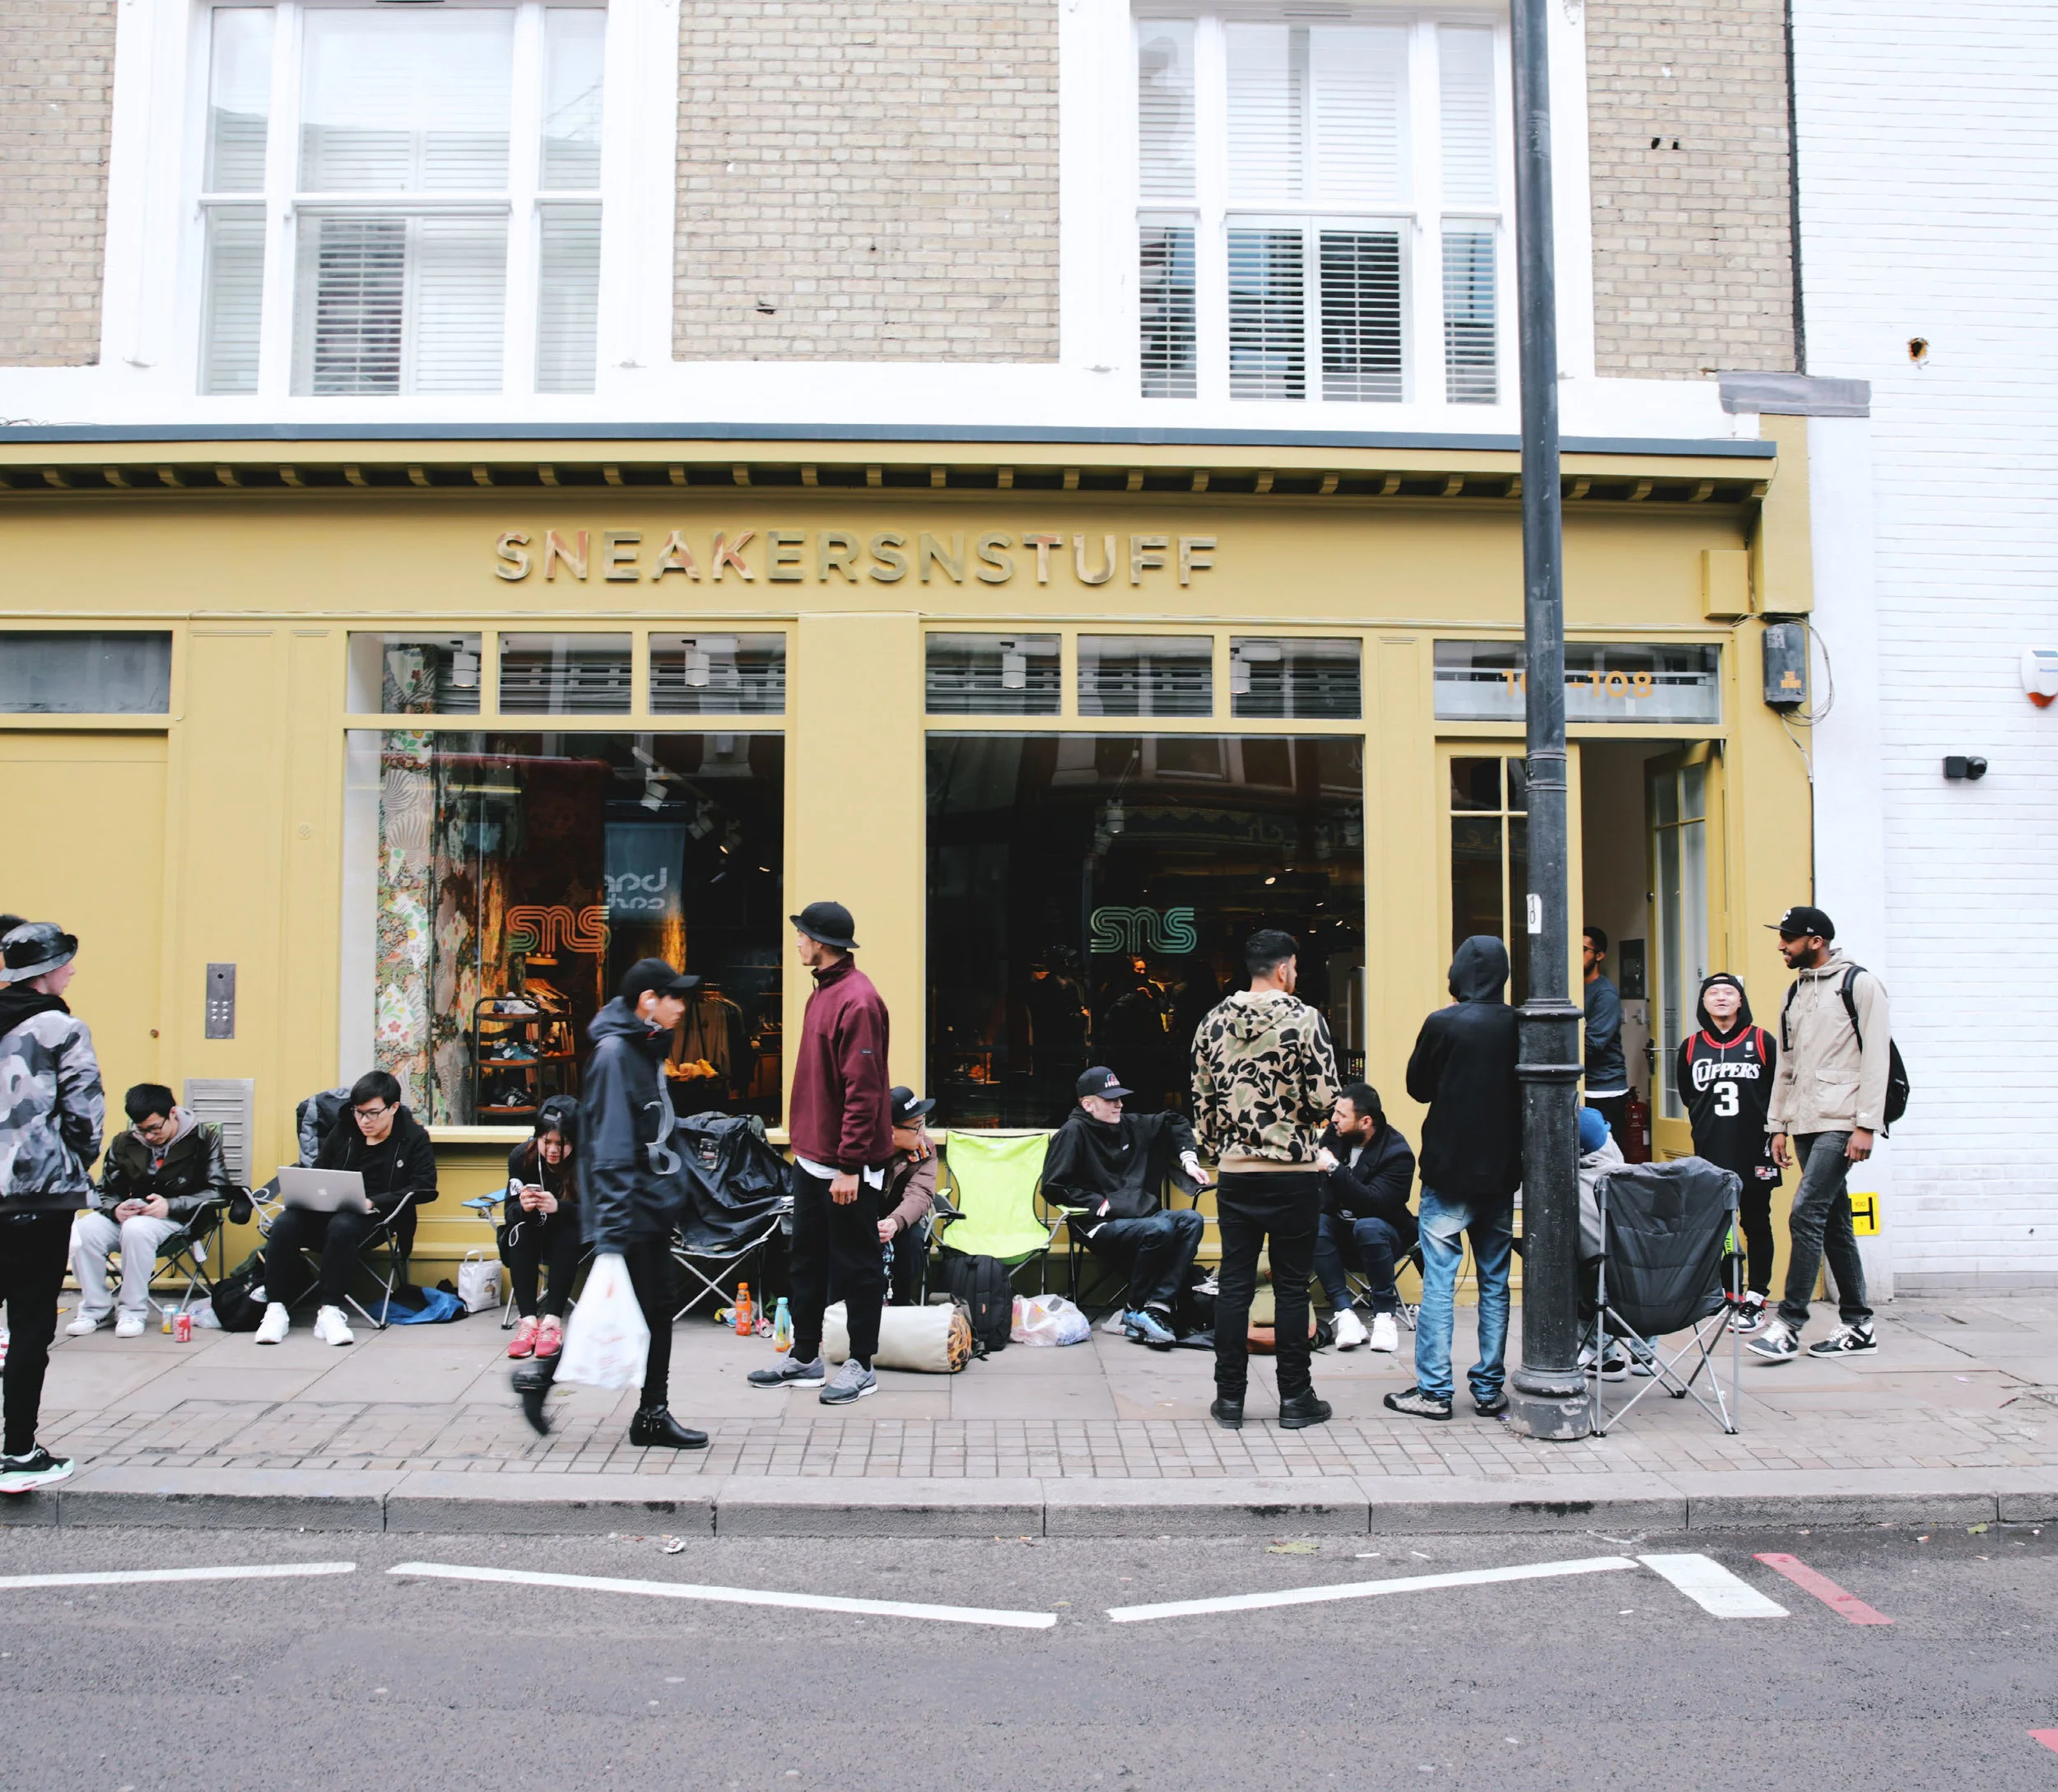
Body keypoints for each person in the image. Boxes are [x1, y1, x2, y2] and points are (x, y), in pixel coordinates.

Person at [1190, 929, 1340, 1431]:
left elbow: (1203, 1101)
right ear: (1283, 968)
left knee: (1235, 1283)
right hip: (1293, 1172)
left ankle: (1230, 1398)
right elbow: (1325, 1099)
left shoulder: (1212, 1021)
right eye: (1294, 967)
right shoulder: (1306, 1019)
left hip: (1237, 1172)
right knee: (1293, 1287)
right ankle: (1295, 1398)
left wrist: (1218, 1150)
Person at [749, 901, 893, 1404]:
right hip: (812, 1157)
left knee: (857, 1265)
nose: (797, 942)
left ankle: (862, 1364)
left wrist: (850, 1165)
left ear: (820, 943)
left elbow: (864, 1091)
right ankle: (805, 1356)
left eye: (802, 935)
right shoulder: (824, 992)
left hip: (846, 1165)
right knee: (806, 1259)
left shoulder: (859, 1000)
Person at [569, 958, 709, 1447]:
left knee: (648, 1307)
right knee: (643, 1307)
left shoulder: (642, 1045)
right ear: (648, 1000)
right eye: (675, 997)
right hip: (628, 1207)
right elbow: (608, 1147)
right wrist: (612, 1228)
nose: (682, 1007)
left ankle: (651, 1413)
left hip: (645, 1201)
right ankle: (648, 1414)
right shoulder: (615, 1054)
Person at [1387, 936, 1522, 1422]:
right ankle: (1488, 1388)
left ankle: (1435, 1391)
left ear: (1458, 973)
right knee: (1495, 1282)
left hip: (1448, 1170)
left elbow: (1417, 1088)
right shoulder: (1520, 1024)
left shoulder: (1443, 1022)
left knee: (1440, 1283)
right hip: (1501, 1171)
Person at [1750, 905, 1891, 1363]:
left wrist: (1867, 1124)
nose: (1781, 946)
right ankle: (1858, 1324)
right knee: (1833, 1221)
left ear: (1816, 941)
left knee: (1806, 1213)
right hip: (1805, 1122)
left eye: (1789, 938)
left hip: (1843, 1120)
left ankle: (1788, 1325)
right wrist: (1777, 1125)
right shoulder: (1794, 992)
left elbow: (1878, 1059)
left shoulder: (1859, 984)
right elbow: (1785, 1066)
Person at [0, 921, 100, 1493]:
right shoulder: (61, 1028)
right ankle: (18, 1451)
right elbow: (85, 1114)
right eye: (67, 962)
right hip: (38, 1194)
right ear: (47, 972)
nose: (73, 971)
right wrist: (71, 1161)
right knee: (31, 1322)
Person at [255, 1068, 437, 1347]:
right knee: (285, 1222)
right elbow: (320, 1169)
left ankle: (330, 1311)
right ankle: (275, 1309)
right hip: (326, 1211)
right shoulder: (344, 1130)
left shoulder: (413, 1137)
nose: (364, 1121)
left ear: (393, 1108)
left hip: (377, 1220)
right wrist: (309, 1191)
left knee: (344, 1224)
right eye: (359, 1112)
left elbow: (425, 1187)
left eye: (373, 1113)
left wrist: (375, 1201)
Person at [1041, 1065, 1210, 1347]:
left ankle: (1157, 1307)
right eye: (1110, 1099)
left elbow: (1173, 1121)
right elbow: (1053, 1186)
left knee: (1191, 1220)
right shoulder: (1073, 1132)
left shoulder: (1129, 1124)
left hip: (1141, 1218)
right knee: (1160, 1228)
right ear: (1088, 1104)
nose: (1119, 1104)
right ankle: (1134, 1310)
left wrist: (1189, 1161)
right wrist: (1099, 1204)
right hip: (1096, 1224)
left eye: (1120, 1098)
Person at [68, 1082, 233, 1338]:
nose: (148, 1137)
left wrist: (171, 1205)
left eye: (154, 1129)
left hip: (180, 1219)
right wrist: (115, 1208)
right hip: (132, 1216)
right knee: (84, 1230)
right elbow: (104, 1190)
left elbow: (220, 1191)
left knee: (137, 1229)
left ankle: (133, 1311)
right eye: (141, 1130)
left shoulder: (203, 1139)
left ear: (173, 1113)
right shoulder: (124, 1142)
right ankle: (96, 1309)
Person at [1676, 973, 1782, 1333]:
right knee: (1721, 1225)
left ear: (1740, 1001)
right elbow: (1688, 1094)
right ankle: (1728, 1292)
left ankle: (1757, 1296)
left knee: (1756, 1220)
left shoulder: (1762, 1041)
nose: (1721, 998)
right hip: (1712, 1148)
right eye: (1713, 993)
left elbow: (1778, 1090)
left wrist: (1778, 1134)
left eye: (1728, 992)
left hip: (1755, 1148)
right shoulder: (1691, 1047)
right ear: (1703, 1002)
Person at [1311, 1082, 1416, 1356]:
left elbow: (1374, 1204)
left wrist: (1334, 1168)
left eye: (1341, 1114)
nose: (1333, 1119)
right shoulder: (1334, 1138)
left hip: (1384, 1237)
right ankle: (1346, 1315)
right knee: (1314, 1223)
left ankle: (1384, 1317)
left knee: (1369, 1225)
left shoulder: (1397, 1153)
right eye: (1335, 1111)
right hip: (1339, 1236)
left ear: (1366, 1121)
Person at [502, 1096, 582, 1361]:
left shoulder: (588, 1161)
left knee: (567, 1231)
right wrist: (523, 1206)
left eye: (562, 1143)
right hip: (534, 1232)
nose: (553, 1150)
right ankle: (528, 1322)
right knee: (519, 1231)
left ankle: (552, 1323)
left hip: (575, 1237)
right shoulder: (521, 1157)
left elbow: (601, 1213)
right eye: (546, 1142)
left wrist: (560, 1207)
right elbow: (509, 1213)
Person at [879, 1086, 938, 1306]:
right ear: (890, 1130)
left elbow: (920, 1194)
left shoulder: (925, 1149)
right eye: (916, 1126)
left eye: (923, 1123)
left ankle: (899, 1305)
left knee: (912, 1241)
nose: (922, 1132)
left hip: (902, 1217)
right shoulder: (862, 1149)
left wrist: (896, 1221)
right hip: (862, 1216)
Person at [1582, 926, 1629, 1147]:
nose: (1576, 955)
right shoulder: (1572, 988)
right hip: (1583, 1084)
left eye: (1583, 949)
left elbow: (1593, 1044)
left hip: (1604, 1089)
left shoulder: (1605, 994)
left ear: (1599, 955)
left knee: (1605, 1153)